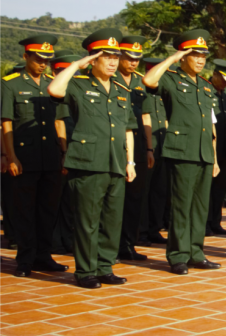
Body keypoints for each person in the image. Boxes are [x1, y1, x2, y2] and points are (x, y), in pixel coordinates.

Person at [47, 28, 137, 288]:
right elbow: (54, 89)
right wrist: (76, 64)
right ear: (93, 59)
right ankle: (85, 271)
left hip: (117, 163)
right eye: (105, 57)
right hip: (88, 162)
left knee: (111, 219)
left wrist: (130, 162)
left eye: (115, 57)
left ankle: (104, 267)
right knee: (87, 221)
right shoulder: (78, 84)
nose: (112, 62)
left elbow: (128, 129)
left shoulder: (121, 89)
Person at [142, 29, 222, 275]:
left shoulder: (207, 88)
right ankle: (177, 255)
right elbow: (149, 81)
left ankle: (196, 253)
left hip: (204, 153)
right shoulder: (171, 78)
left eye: (203, 56)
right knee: (181, 205)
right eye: (194, 55)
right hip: (181, 151)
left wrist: (215, 158)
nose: (200, 60)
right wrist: (171, 58)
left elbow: (210, 125)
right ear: (184, 55)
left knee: (200, 207)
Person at [1, 34, 68, 277]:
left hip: (50, 156)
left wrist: (64, 153)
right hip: (24, 157)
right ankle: (25, 259)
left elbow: (59, 121)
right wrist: (10, 156)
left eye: (47, 60)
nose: (43, 64)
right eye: (38, 59)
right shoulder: (10, 83)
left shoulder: (53, 84)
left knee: (47, 210)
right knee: (25, 210)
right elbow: (6, 123)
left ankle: (43, 256)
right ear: (26, 56)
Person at [113, 36, 153, 262]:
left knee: (135, 198)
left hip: (136, 145)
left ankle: (128, 244)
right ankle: (110, 245)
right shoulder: (110, 78)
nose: (133, 62)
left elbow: (146, 115)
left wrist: (149, 148)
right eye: (129, 58)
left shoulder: (140, 82)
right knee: (114, 198)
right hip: (114, 143)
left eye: (137, 59)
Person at [50, 51, 82, 255]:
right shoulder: (52, 92)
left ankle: (68, 240)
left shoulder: (79, 93)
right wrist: (63, 152)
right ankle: (54, 242)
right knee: (54, 200)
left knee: (71, 200)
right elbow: (57, 123)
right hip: (55, 152)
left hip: (77, 152)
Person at [205, 59, 226, 236]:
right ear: (216, 74)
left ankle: (216, 222)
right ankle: (204, 223)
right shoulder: (205, 90)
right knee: (207, 187)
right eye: (224, 78)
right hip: (210, 145)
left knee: (220, 187)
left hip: (225, 146)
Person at [140, 58, 169, 244]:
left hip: (163, 146)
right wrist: (148, 147)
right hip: (146, 147)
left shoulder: (165, 92)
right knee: (144, 192)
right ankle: (141, 232)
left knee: (160, 191)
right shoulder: (142, 89)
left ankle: (154, 228)